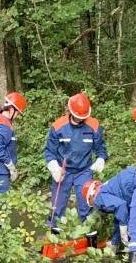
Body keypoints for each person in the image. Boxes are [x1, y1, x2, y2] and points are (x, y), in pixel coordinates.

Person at [44, 92, 107, 234]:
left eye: (83, 117)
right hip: (63, 170)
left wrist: (100, 159)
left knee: (86, 204)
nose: (81, 119)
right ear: (70, 111)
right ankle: (54, 239)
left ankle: (90, 239)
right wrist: (54, 168)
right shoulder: (58, 126)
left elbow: (100, 148)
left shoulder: (94, 126)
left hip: (84, 171)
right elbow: (49, 151)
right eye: (78, 117)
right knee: (57, 206)